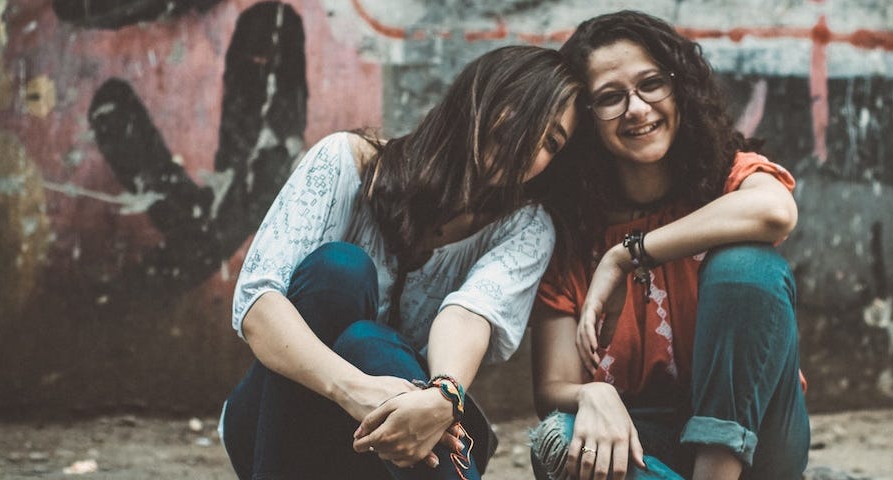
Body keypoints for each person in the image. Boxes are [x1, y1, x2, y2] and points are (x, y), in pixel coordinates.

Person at [219, 45, 581, 480]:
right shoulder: (345, 162)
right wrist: (357, 392)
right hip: (274, 426)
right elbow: (259, 306)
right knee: (340, 269)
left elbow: (469, 314)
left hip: (412, 440)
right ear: (481, 93)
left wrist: (442, 397)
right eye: (526, 111)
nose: (530, 142)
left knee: (369, 341)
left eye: (552, 142)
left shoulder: (526, 227)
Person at [528, 11, 809, 480]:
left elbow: (775, 212)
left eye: (651, 84)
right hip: (645, 440)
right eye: (611, 98)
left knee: (746, 262)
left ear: (679, 88)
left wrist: (625, 255)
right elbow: (552, 388)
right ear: (587, 119)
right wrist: (593, 395)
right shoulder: (574, 231)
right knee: (557, 442)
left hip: (759, 439)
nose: (637, 109)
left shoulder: (726, 179)